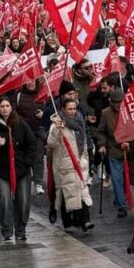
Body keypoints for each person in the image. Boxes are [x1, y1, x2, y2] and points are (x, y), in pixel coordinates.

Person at [0, 96, 37, 241]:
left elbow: (31, 143)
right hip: (2, 170)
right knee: (5, 199)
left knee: (23, 199)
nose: (5, 109)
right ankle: (7, 230)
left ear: (11, 108)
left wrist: (27, 162)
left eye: (7, 106)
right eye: (2, 106)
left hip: (21, 169)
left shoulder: (20, 123)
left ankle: (21, 229)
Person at [47, 98, 94, 232]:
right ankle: (67, 222)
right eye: (70, 109)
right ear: (63, 109)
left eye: (74, 108)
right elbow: (51, 143)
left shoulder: (80, 121)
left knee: (82, 191)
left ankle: (85, 221)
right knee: (66, 193)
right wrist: (56, 129)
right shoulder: (56, 123)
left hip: (79, 163)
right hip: (64, 165)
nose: (73, 111)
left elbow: (84, 143)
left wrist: (85, 159)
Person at [97, 88, 129, 218]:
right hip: (114, 150)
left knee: (129, 180)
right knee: (117, 179)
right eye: (116, 102)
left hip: (129, 150)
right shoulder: (106, 113)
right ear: (111, 102)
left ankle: (122, 200)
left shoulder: (130, 111)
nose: (118, 104)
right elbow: (101, 131)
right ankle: (122, 206)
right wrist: (102, 145)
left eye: (121, 101)